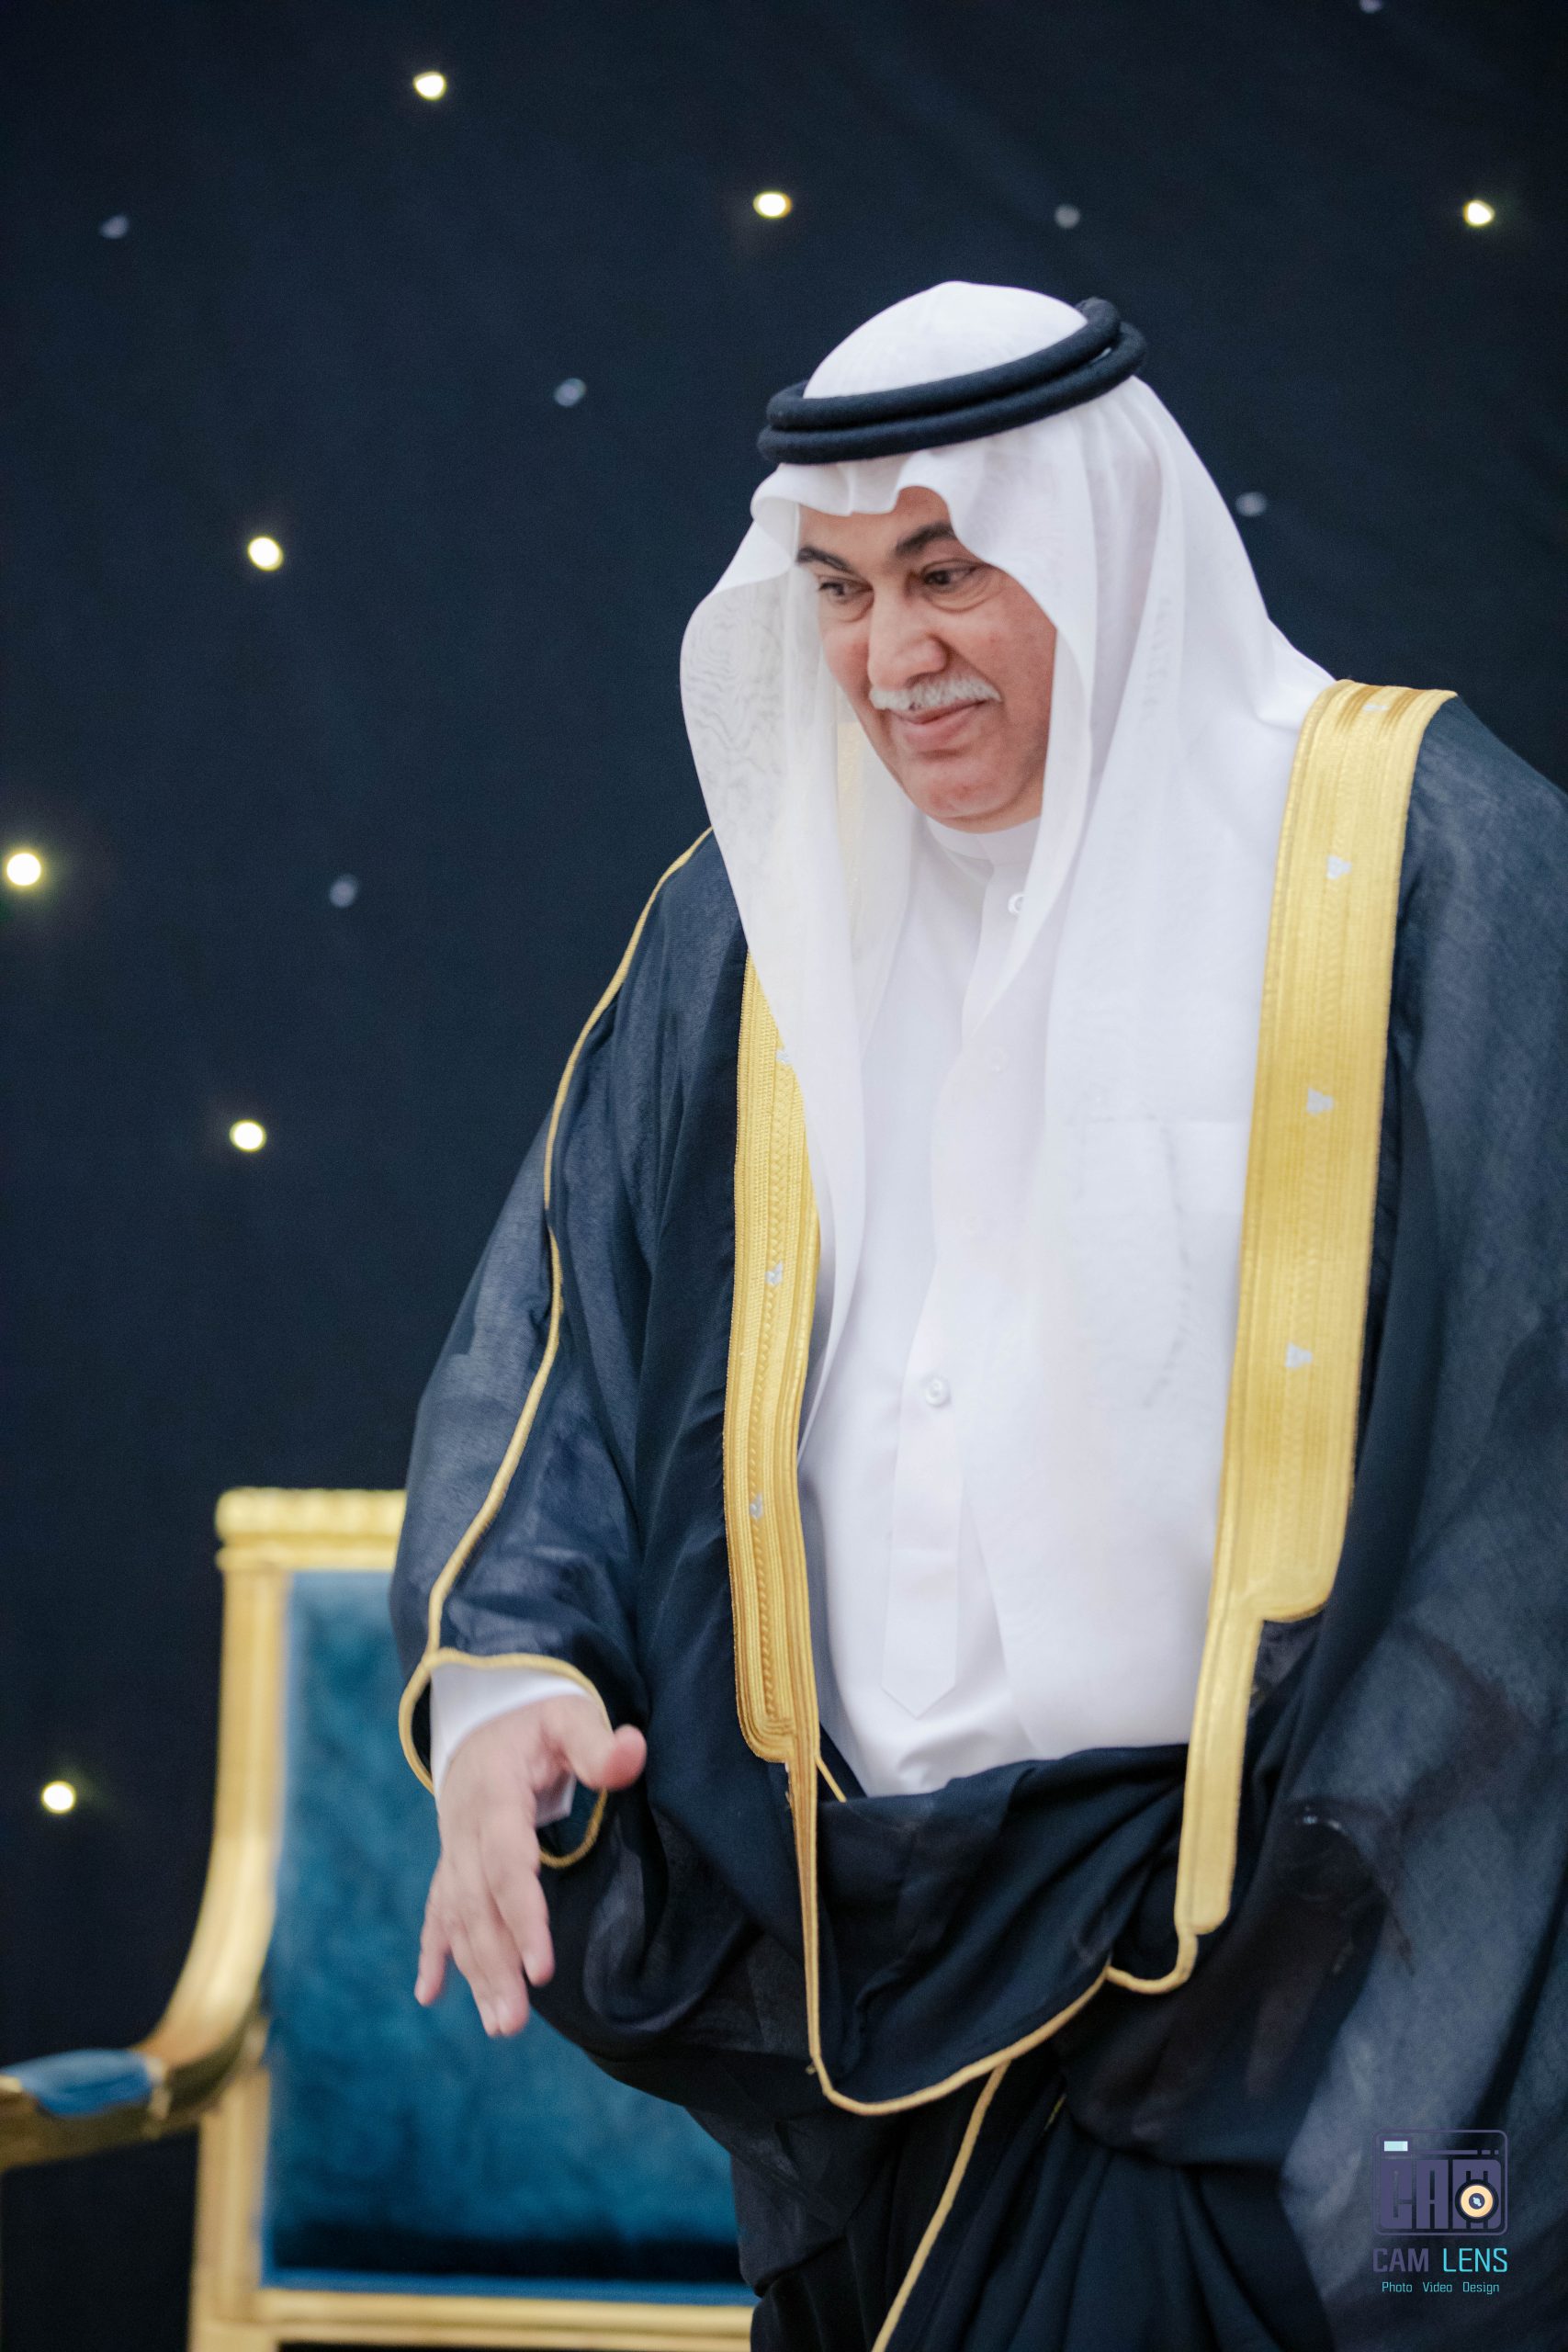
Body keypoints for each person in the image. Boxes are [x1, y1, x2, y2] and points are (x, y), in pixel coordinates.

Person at [389, 283, 1568, 2349]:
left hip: (1289, 1981)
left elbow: (1529, 1447)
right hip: (869, 1982)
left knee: (1407, 2270)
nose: (890, 655)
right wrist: (512, 1677)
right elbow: (568, 1323)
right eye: (840, 591)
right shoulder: (754, 918)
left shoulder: (1424, 861)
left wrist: (1354, 1886)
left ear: (1102, 553)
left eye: (948, 573)